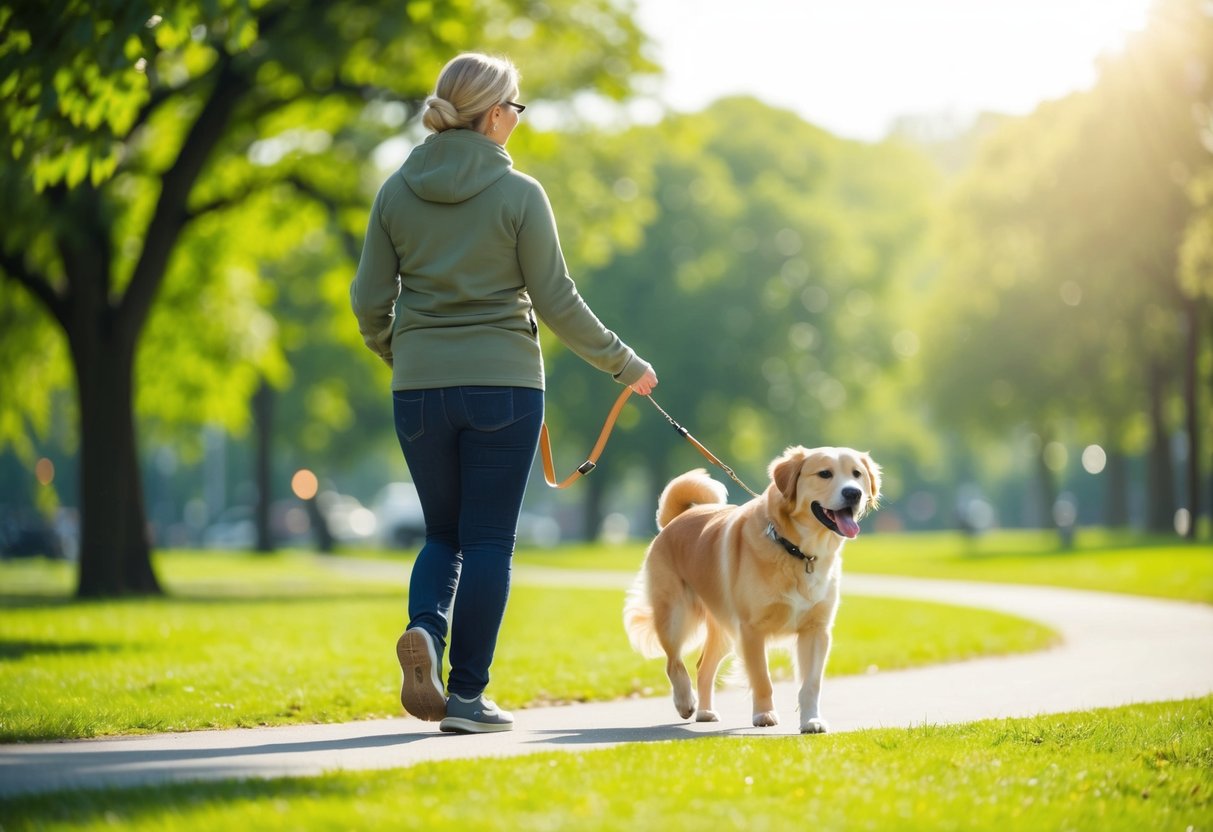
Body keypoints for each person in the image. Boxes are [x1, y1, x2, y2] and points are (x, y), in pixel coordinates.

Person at [350, 52, 658, 734]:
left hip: (420, 388)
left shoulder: (395, 192)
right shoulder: (520, 194)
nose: (516, 122)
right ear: (493, 113)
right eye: (514, 109)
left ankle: (425, 629)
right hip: (504, 386)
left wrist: (400, 354)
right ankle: (466, 697)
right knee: (488, 540)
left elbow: (368, 299)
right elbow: (557, 300)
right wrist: (623, 363)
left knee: (441, 534)